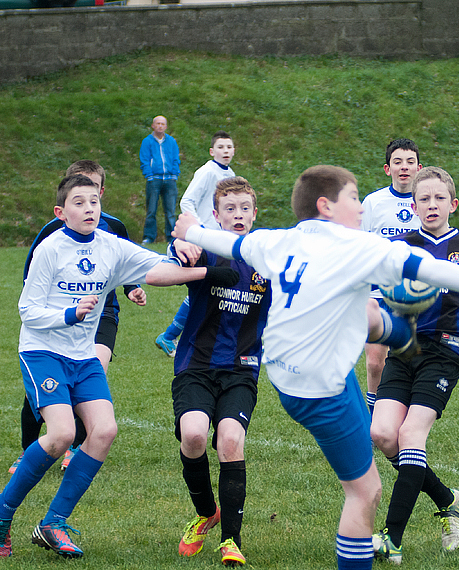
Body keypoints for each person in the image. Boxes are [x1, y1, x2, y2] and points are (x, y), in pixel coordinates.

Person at [172, 164, 459, 570]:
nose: (361, 206)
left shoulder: (274, 241)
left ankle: (388, 329)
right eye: (353, 198)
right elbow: (435, 269)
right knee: (365, 492)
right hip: (320, 391)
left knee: (366, 314)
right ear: (326, 206)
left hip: (289, 378)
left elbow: (214, 239)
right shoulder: (358, 248)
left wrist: (190, 228)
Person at [0, 174, 236, 560]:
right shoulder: (50, 249)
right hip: (43, 350)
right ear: (61, 212)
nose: (88, 208)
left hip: (83, 357)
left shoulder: (111, 246)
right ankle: (2, 515)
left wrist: (188, 256)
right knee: (61, 434)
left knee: (105, 431)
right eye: (78, 202)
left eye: (93, 201)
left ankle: (53, 523)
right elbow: (26, 310)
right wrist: (69, 313)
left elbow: (158, 268)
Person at [371, 166, 459, 564]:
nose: (431, 205)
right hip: (404, 349)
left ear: (453, 204)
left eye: (439, 198)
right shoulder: (402, 247)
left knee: (411, 434)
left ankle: (391, 538)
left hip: (444, 352)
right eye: (424, 199)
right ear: (413, 206)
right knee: (382, 434)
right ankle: (448, 499)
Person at [9, 160, 146, 476]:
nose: (88, 201)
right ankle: (31, 447)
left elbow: (128, 263)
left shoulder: (113, 228)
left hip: (102, 315)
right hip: (57, 322)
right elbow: (32, 277)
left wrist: (132, 289)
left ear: (101, 191)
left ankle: (75, 448)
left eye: (94, 191)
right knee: (48, 392)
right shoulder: (52, 233)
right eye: (78, 193)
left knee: (91, 375)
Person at [171, 177, 268, 567]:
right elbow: (161, 272)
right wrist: (193, 259)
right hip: (195, 364)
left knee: (230, 440)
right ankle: (206, 512)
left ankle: (231, 540)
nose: (239, 215)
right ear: (216, 215)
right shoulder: (205, 249)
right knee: (193, 435)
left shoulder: (268, 258)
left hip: (242, 369)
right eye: (230, 209)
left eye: (245, 208)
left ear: (255, 213)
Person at [155, 130, 236, 357]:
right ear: (212, 151)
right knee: (205, 288)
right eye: (220, 147)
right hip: (205, 242)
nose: (225, 151)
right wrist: (197, 231)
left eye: (229, 147)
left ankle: (173, 336)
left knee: (212, 289)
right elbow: (187, 201)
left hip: (221, 242)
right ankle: (171, 336)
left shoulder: (230, 175)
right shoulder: (207, 172)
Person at [361, 138, 422, 413]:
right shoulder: (373, 203)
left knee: (412, 360)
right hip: (377, 292)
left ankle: (404, 413)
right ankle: (373, 413)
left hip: (417, 293)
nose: (404, 167)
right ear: (388, 169)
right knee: (376, 361)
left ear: (419, 168)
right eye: (398, 162)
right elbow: (359, 247)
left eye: (410, 162)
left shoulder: (428, 202)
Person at [140, 115, 181, 244]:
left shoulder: (171, 141)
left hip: (170, 180)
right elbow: (144, 160)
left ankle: (172, 237)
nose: (160, 126)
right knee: (151, 210)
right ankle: (149, 237)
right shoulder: (147, 141)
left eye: (162, 124)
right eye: (157, 123)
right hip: (154, 180)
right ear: (153, 125)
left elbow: (175, 159)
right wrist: (149, 175)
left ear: (166, 126)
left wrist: (174, 173)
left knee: (170, 212)